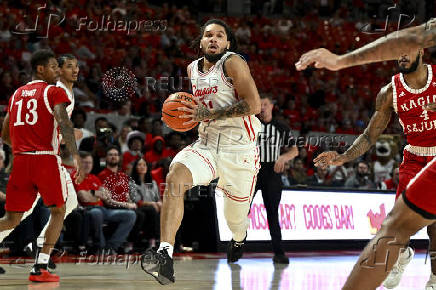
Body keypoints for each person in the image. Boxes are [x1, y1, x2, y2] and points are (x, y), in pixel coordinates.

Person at [296, 19, 436, 289]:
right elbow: (369, 136)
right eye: (399, 51)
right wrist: (342, 157)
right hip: (415, 156)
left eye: (408, 50)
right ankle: (401, 254)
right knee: (395, 225)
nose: (402, 55)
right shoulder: (389, 92)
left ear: (422, 51)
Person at [142, 19, 261, 285]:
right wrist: (182, 115)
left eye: (220, 35)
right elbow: (197, 109)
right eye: (208, 35)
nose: (214, 39)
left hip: (239, 150)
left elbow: (254, 105)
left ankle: (239, 239)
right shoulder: (192, 68)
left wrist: (210, 113)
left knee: (235, 220)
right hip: (206, 145)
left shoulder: (233, 62)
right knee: (175, 178)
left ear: (228, 43)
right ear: (201, 42)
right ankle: (165, 254)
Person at [0, 49, 83, 282]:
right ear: (40, 69)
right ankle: (40, 267)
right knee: (59, 210)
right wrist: (75, 156)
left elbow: (5, 133)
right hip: (46, 158)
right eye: (54, 68)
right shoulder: (54, 91)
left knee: (11, 219)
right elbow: (64, 122)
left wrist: (23, 144)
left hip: (21, 159)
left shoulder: (16, 93)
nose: (58, 72)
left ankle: (40, 259)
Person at [255, 95, 298, 264]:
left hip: (272, 172)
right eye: (259, 104)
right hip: (253, 171)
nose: (262, 107)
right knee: (243, 211)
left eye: (265, 104)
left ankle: (279, 253)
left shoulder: (281, 126)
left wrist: (283, 158)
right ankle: (235, 247)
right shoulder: (251, 123)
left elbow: (294, 150)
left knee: (272, 213)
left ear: (272, 106)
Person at [74, 151, 136, 253]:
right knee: (96, 213)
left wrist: (92, 193)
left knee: (131, 215)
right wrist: (97, 194)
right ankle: (100, 247)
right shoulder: (75, 176)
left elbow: (107, 197)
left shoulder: (95, 178)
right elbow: (83, 197)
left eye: (90, 162)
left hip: (104, 209)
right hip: (88, 210)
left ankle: (111, 247)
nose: (87, 165)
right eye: (84, 162)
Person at [129, 158, 161, 249]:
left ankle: (171, 243)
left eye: (144, 165)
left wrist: (159, 203)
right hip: (137, 207)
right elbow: (136, 201)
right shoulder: (132, 183)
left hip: (152, 208)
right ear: (135, 167)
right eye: (139, 165)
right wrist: (152, 204)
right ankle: (152, 241)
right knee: (151, 210)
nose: (142, 167)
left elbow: (157, 198)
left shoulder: (153, 182)